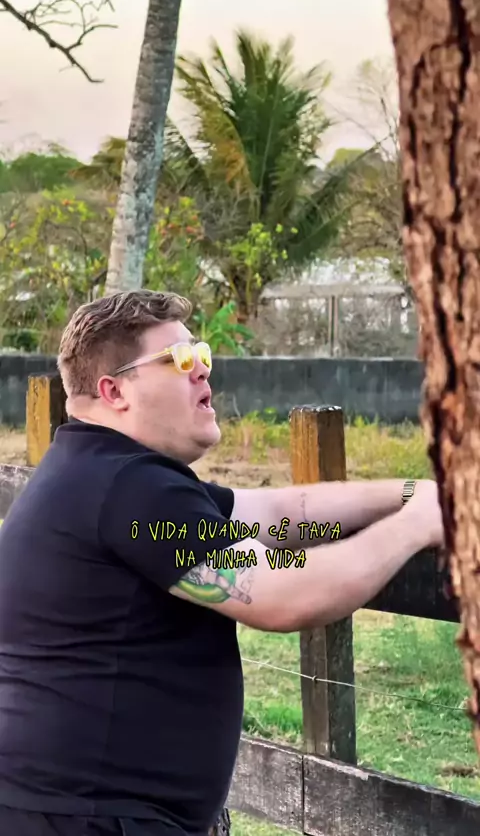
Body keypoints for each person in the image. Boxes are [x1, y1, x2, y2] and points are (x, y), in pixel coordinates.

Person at [0, 290, 445, 836]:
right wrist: (417, 525)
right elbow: (286, 595)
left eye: (202, 354)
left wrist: (414, 492)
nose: (203, 370)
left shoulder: (100, 471)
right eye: (180, 358)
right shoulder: (129, 489)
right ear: (115, 391)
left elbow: (279, 514)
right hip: (87, 818)